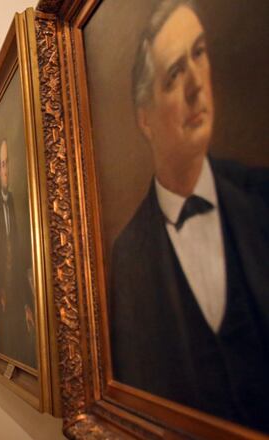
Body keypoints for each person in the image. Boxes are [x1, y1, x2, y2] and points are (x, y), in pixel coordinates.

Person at [108, 0, 269, 431]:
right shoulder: (126, 257)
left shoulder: (261, 198)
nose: (197, 84)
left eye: (199, 53)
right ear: (145, 119)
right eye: (175, 74)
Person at [0, 139, 36, 368]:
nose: (5, 170)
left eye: (8, 164)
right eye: (2, 164)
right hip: (0, 299)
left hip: (17, 297)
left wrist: (28, 303)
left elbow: (17, 257)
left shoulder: (13, 201)